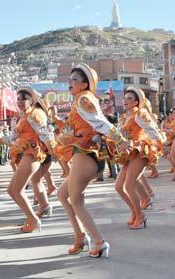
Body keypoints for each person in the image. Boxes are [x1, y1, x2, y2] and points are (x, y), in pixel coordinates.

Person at [55, 63, 126, 258]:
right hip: (85, 151)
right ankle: (80, 237)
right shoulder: (81, 99)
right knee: (63, 195)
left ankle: (99, 242)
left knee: (76, 201)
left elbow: (100, 123)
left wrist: (120, 139)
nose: (70, 82)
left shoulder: (84, 99)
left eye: (74, 79)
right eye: (69, 79)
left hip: (86, 153)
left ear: (85, 84)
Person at [114, 87, 166, 229]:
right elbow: (118, 134)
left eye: (129, 98)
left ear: (137, 102)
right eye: (124, 98)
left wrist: (157, 144)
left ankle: (140, 216)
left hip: (140, 150)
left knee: (129, 185)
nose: (125, 100)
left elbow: (154, 132)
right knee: (119, 187)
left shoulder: (141, 114)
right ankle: (135, 212)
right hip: (129, 152)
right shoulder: (125, 116)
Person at [7, 87, 56, 233]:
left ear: (31, 101)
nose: (20, 102)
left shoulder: (35, 114)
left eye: (24, 99)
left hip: (32, 154)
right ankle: (34, 215)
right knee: (12, 190)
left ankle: (33, 219)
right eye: (19, 99)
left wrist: (54, 152)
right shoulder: (23, 116)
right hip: (24, 154)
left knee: (17, 190)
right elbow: (13, 137)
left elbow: (46, 134)